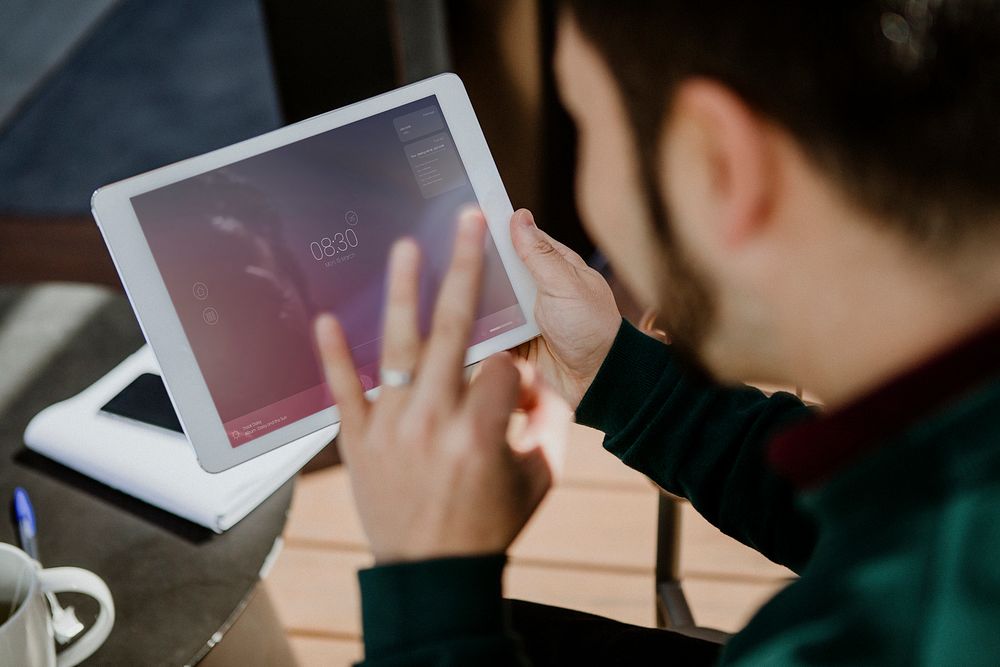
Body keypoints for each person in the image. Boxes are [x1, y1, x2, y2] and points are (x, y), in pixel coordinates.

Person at [314, 1, 1000, 664]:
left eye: (582, 124)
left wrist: (427, 573)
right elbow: (858, 509)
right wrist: (625, 380)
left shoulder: (896, 631)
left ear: (722, 165)